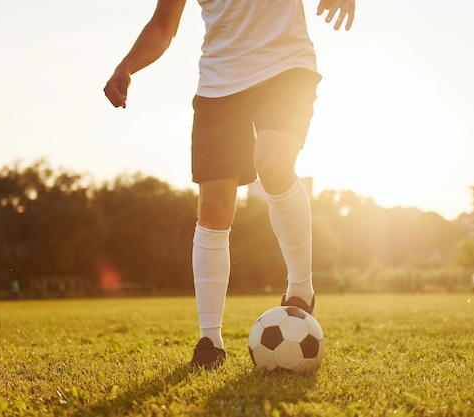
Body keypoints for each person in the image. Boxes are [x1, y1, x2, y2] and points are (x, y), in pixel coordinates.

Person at [104, 0, 356, 370]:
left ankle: (301, 289)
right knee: (214, 210)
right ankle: (210, 340)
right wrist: (126, 66)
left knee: (272, 162)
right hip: (220, 83)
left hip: (286, 65)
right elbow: (163, 26)